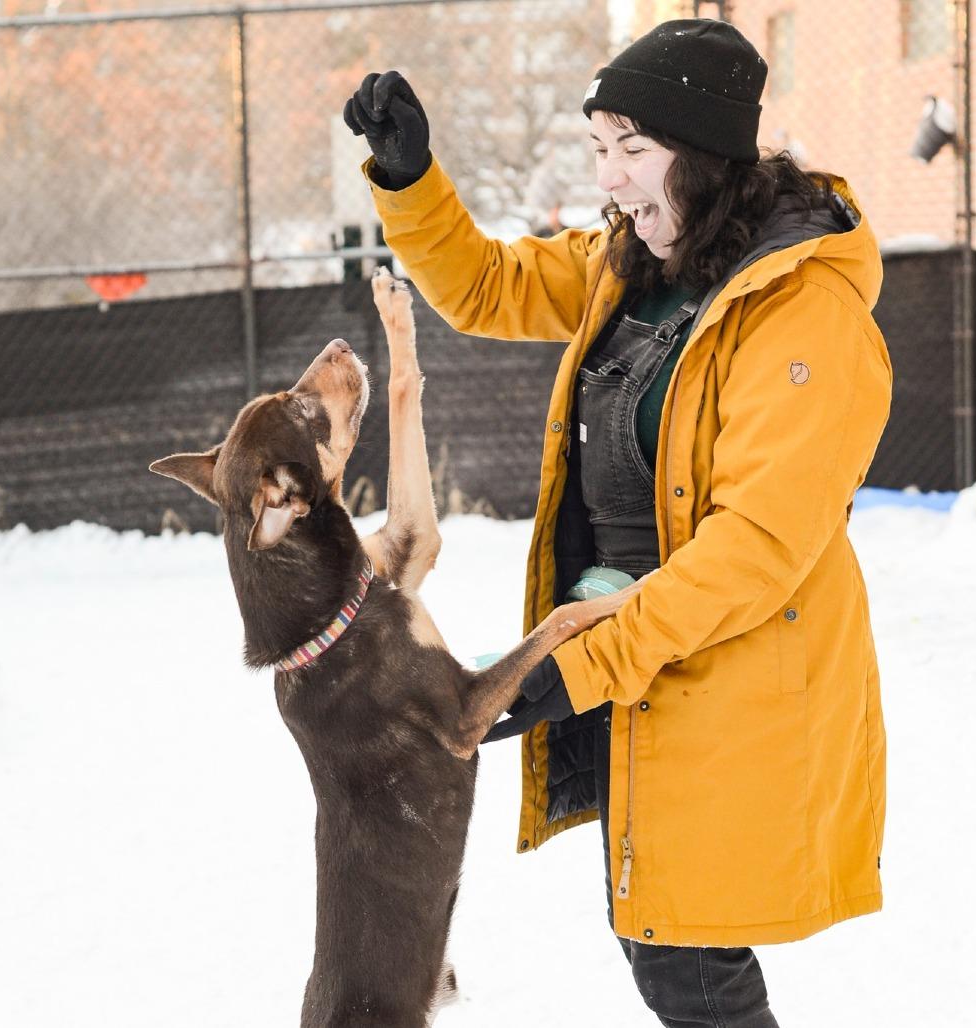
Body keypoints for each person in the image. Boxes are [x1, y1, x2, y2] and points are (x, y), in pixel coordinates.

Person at [345, 18, 891, 1028]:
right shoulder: (632, 260)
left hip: (724, 666)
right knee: (666, 941)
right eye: (598, 148)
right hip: (638, 654)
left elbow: (755, 548)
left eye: (634, 149)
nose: (611, 179)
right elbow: (486, 285)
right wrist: (408, 178)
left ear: (708, 154)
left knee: (683, 955)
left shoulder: (801, 315)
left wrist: (571, 663)